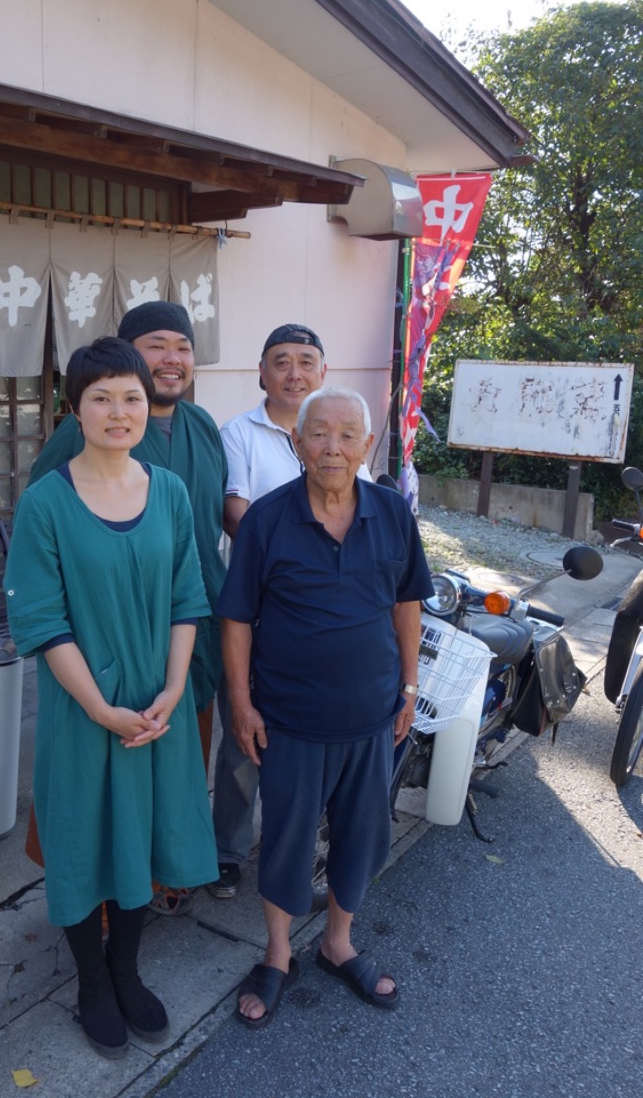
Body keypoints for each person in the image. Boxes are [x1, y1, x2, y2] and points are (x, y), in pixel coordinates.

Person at [4, 337, 217, 1058]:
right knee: (81, 840)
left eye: (130, 396)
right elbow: (40, 619)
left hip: (158, 709)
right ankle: (90, 982)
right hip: (83, 711)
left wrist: (176, 688)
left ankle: (127, 970)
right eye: (101, 398)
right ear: (75, 410)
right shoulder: (45, 504)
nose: (119, 411)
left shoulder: (171, 492)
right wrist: (99, 707)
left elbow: (189, 595)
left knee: (145, 836)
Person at [217, 387, 432, 1028]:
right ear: (297, 443)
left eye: (347, 435)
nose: (332, 447)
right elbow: (236, 618)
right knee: (284, 842)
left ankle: (338, 944)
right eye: (319, 434)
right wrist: (240, 701)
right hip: (290, 718)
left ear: (367, 445)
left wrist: (412, 685)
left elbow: (407, 606)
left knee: (363, 838)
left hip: (372, 715)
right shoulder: (267, 519)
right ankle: (279, 954)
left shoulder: (393, 514)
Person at [28, 301, 227, 914]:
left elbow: (215, 524)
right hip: (104, 639)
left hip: (189, 628)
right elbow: (47, 543)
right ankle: (94, 895)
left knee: (173, 762)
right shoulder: (80, 435)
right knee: (93, 782)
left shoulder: (201, 427)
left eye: (183, 347)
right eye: (156, 345)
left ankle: (160, 877)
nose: (172, 359)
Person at [209, 325, 368, 899]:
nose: (294, 372)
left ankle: (301, 847)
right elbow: (235, 511)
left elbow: (362, 508)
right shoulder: (238, 434)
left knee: (312, 741)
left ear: (323, 372)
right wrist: (295, 556)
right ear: (262, 372)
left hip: (330, 623)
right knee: (242, 739)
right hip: (257, 614)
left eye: (306, 361)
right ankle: (228, 849)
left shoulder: (343, 429)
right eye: (281, 361)